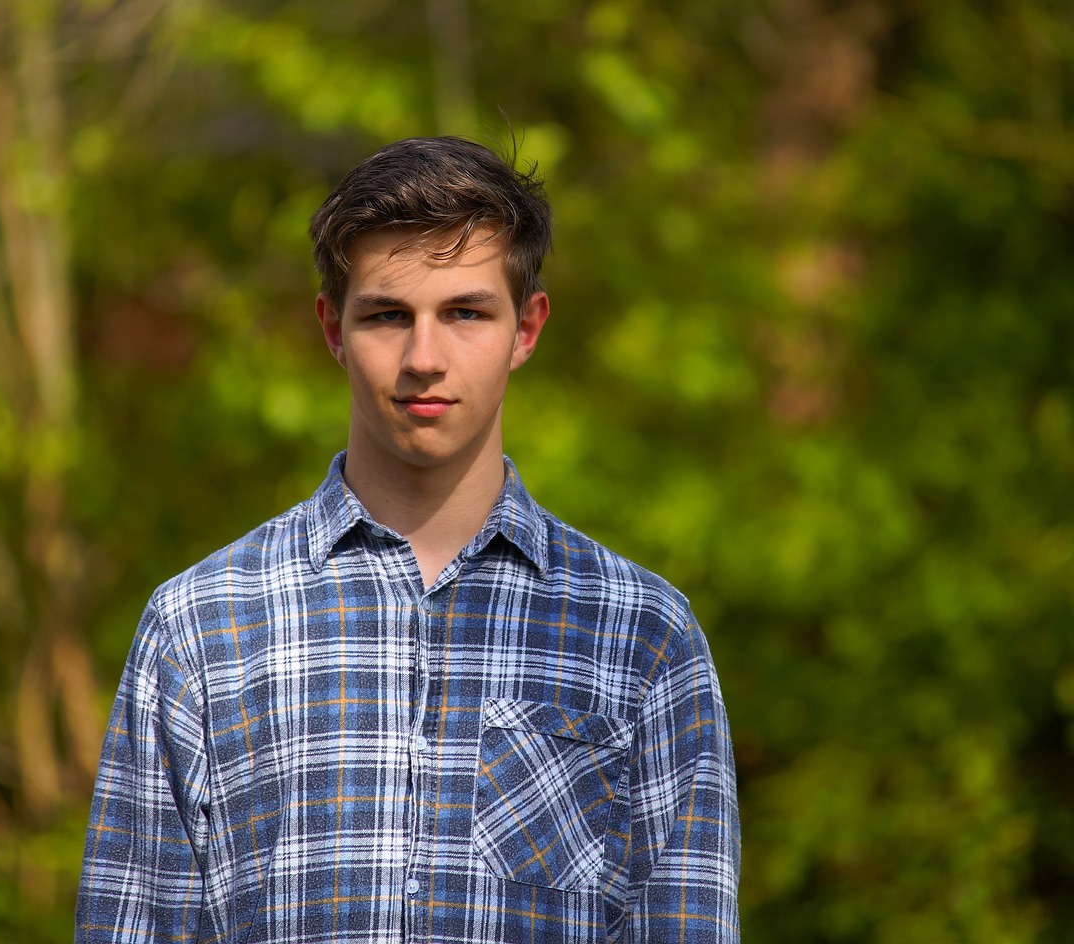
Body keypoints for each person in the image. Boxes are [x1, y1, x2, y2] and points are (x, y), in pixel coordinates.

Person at [76, 136, 740, 943]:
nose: (424, 358)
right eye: (389, 315)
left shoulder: (641, 637)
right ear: (333, 329)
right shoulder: (201, 628)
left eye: (466, 313)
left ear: (526, 328)